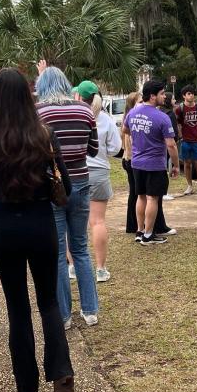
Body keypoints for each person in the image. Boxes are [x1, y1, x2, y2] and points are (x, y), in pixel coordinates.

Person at [0, 68, 75, 392]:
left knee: (18, 311)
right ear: (28, 97)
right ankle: (62, 381)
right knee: (48, 304)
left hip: (6, 231)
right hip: (41, 226)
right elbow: (67, 189)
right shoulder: (43, 135)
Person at [35, 65, 100, 328]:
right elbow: (93, 150)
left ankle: (63, 315)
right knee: (81, 248)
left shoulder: (39, 114)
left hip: (52, 186)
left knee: (59, 253)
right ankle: (90, 309)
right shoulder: (84, 110)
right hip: (82, 181)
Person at [76, 81, 122, 284]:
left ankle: (71, 267)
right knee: (98, 221)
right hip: (99, 172)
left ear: (79, 96)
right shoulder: (105, 119)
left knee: (72, 222)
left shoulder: (73, 115)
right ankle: (101, 269)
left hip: (76, 172)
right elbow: (115, 148)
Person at [124, 80, 180, 245]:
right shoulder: (162, 117)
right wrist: (176, 165)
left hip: (136, 163)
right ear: (153, 96)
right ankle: (148, 235)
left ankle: (140, 231)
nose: (165, 96)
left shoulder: (133, 112)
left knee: (140, 196)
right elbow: (171, 144)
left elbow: (125, 130)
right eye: (162, 93)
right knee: (153, 198)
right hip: (154, 164)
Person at [175, 85, 197, 195]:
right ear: (184, 96)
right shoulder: (180, 109)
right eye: (189, 93)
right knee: (187, 164)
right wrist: (181, 137)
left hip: (196, 141)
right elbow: (178, 124)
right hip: (186, 141)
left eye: (193, 93)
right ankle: (189, 185)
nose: (191, 95)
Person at [159, 92, 181, 200]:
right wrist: (175, 140)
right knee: (166, 168)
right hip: (168, 144)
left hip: (160, 144)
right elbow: (173, 131)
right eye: (173, 99)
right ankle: (164, 192)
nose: (175, 101)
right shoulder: (169, 114)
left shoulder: (160, 112)